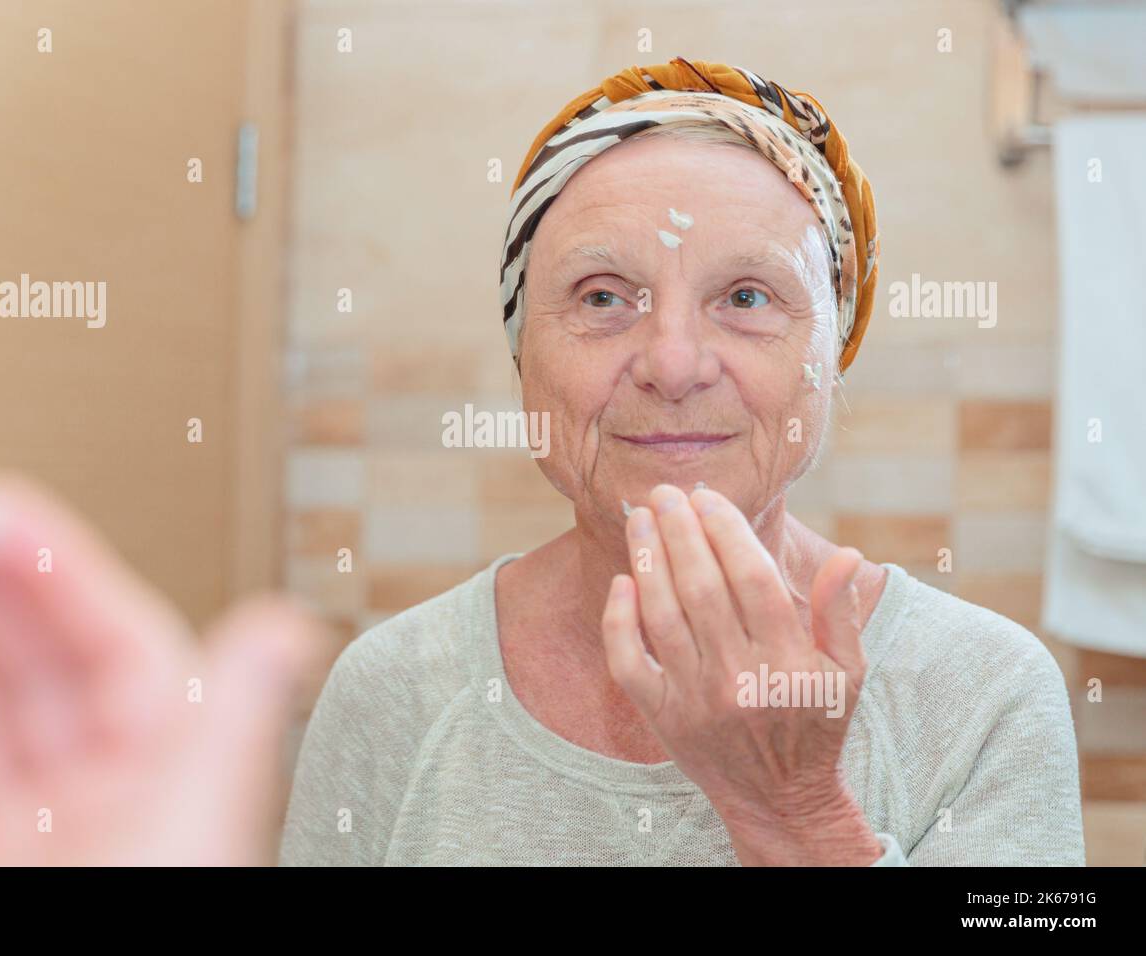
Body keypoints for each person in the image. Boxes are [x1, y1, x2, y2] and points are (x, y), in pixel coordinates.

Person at [277, 58, 1085, 866]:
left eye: (746, 297)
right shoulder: (389, 692)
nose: (672, 363)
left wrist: (796, 814)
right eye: (602, 296)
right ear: (524, 357)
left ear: (830, 353)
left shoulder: (986, 694)